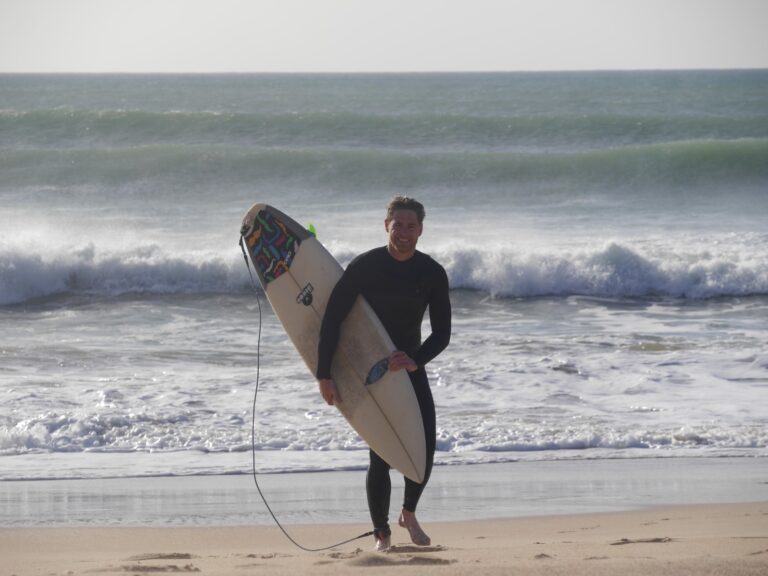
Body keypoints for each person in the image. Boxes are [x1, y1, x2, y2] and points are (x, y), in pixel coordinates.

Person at [315, 196, 451, 552]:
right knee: (381, 454)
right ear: (386, 225)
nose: (404, 233)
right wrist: (324, 374)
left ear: (421, 229)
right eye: (398, 225)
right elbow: (331, 319)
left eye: (411, 226)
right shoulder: (365, 267)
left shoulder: (431, 272)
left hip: (408, 368)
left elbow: (442, 333)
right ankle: (381, 533)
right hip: (370, 370)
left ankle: (408, 512)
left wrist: (415, 360)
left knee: (424, 448)